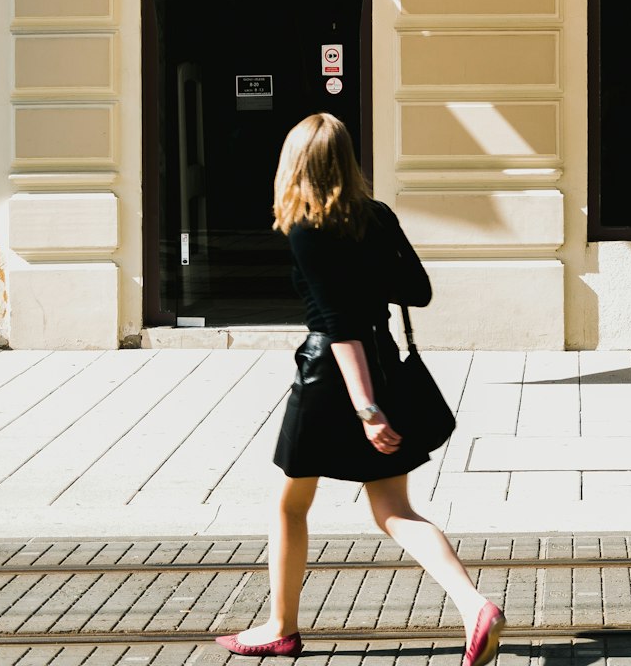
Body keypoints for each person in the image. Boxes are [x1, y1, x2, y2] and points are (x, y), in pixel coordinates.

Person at [216, 113, 504, 666]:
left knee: (290, 505)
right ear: (347, 160)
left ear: (296, 163)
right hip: (384, 359)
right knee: (395, 508)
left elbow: (337, 321)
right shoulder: (377, 216)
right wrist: (371, 272)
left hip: (334, 376)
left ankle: (281, 626)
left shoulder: (305, 227)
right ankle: (474, 607)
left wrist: (366, 408)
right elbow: (417, 291)